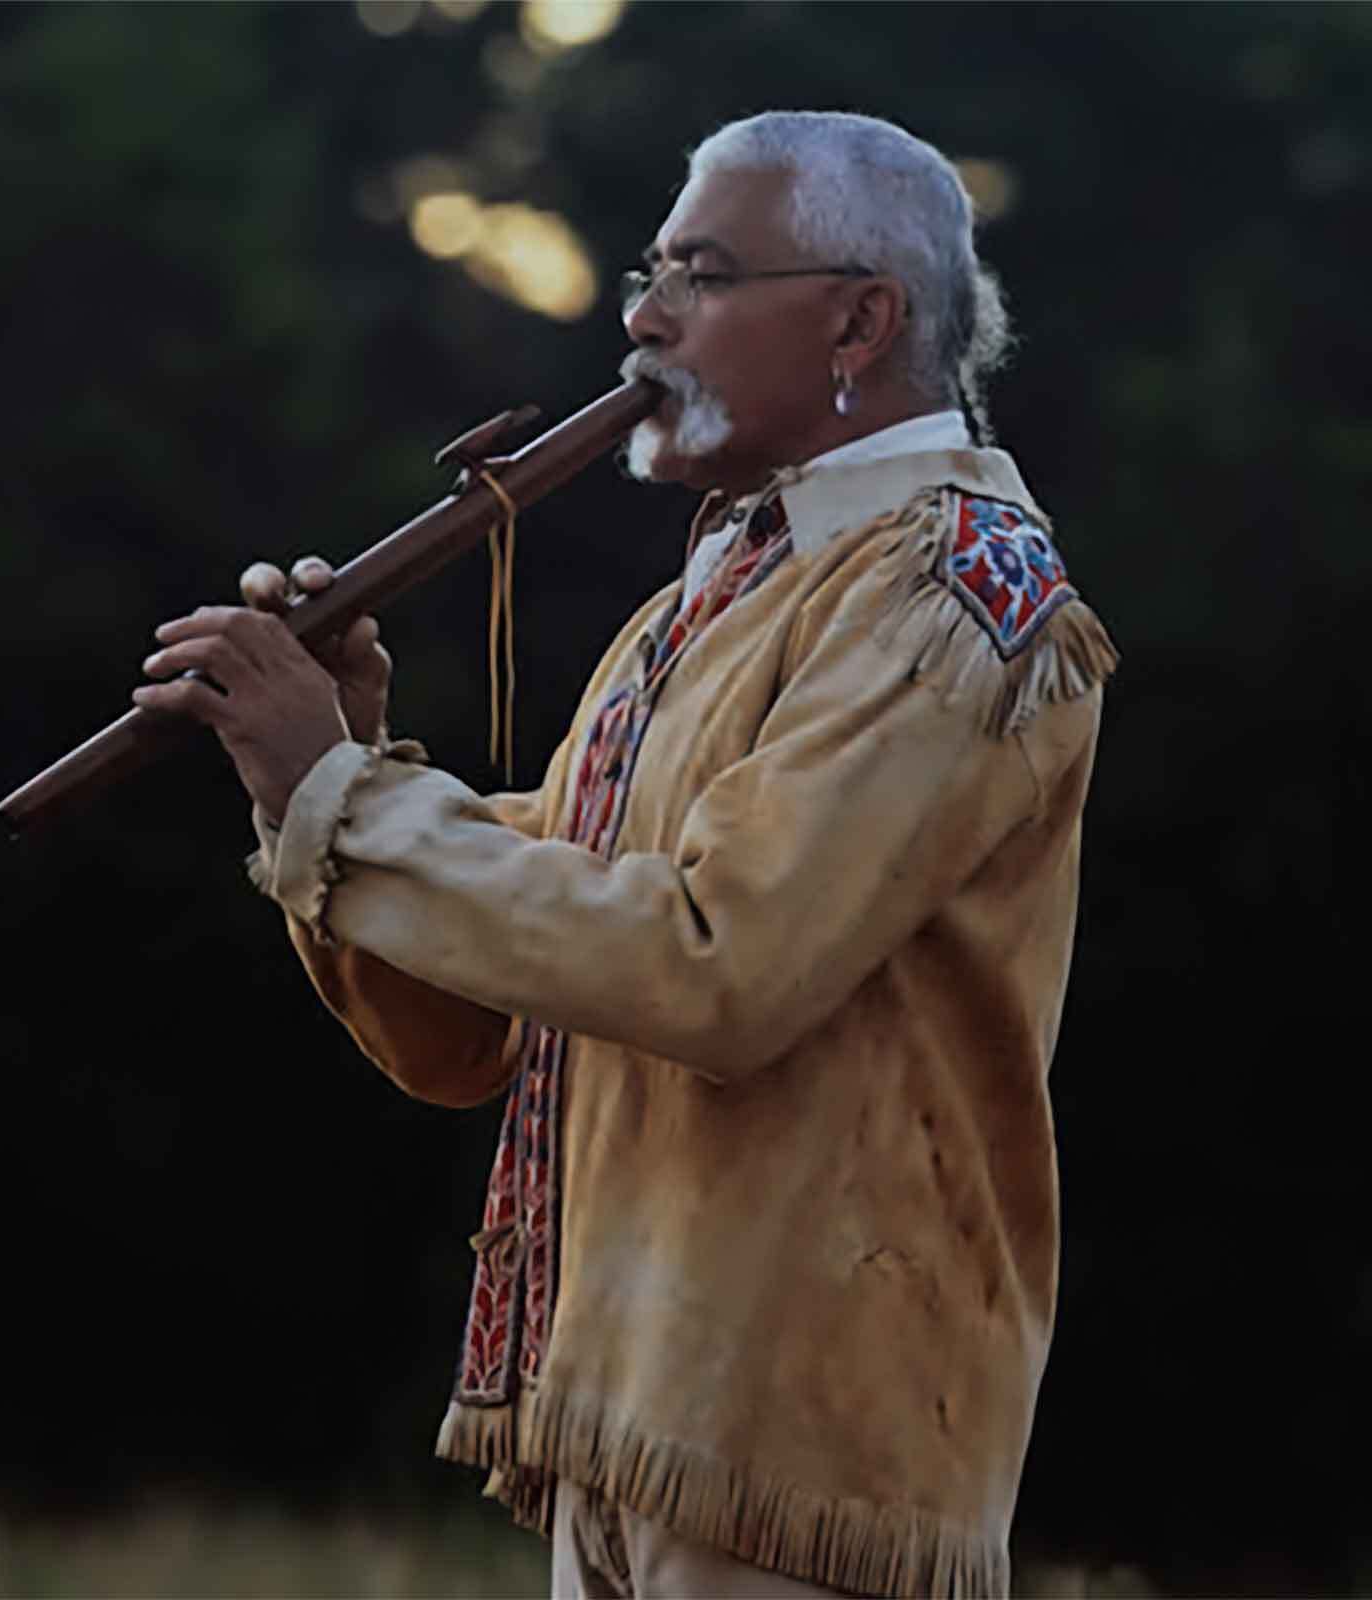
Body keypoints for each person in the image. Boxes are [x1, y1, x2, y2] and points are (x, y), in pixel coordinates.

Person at [134, 111, 1118, 1600]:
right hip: (635, 1413)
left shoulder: (959, 590)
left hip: (811, 1439)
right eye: (650, 274)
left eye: (704, 278)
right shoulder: (711, 599)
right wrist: (322, 776)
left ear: (862, 318)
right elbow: (486, 1023)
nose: (645, 321)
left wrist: (348, 796)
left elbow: (718, 961)